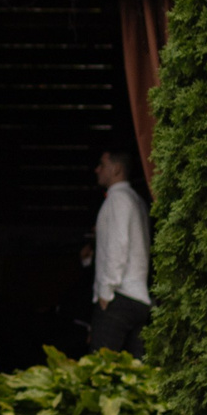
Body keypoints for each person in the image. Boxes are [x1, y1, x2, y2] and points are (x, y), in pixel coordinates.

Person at [90, 148, 152, 356]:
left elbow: (118, 245)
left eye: (102, 165)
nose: (97, 170)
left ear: (116, 169)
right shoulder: (136, 200)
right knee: (134, 370)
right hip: (139, 298)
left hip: (119, 295)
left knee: (101, 368)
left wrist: (106, 291)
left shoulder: (118, 199)